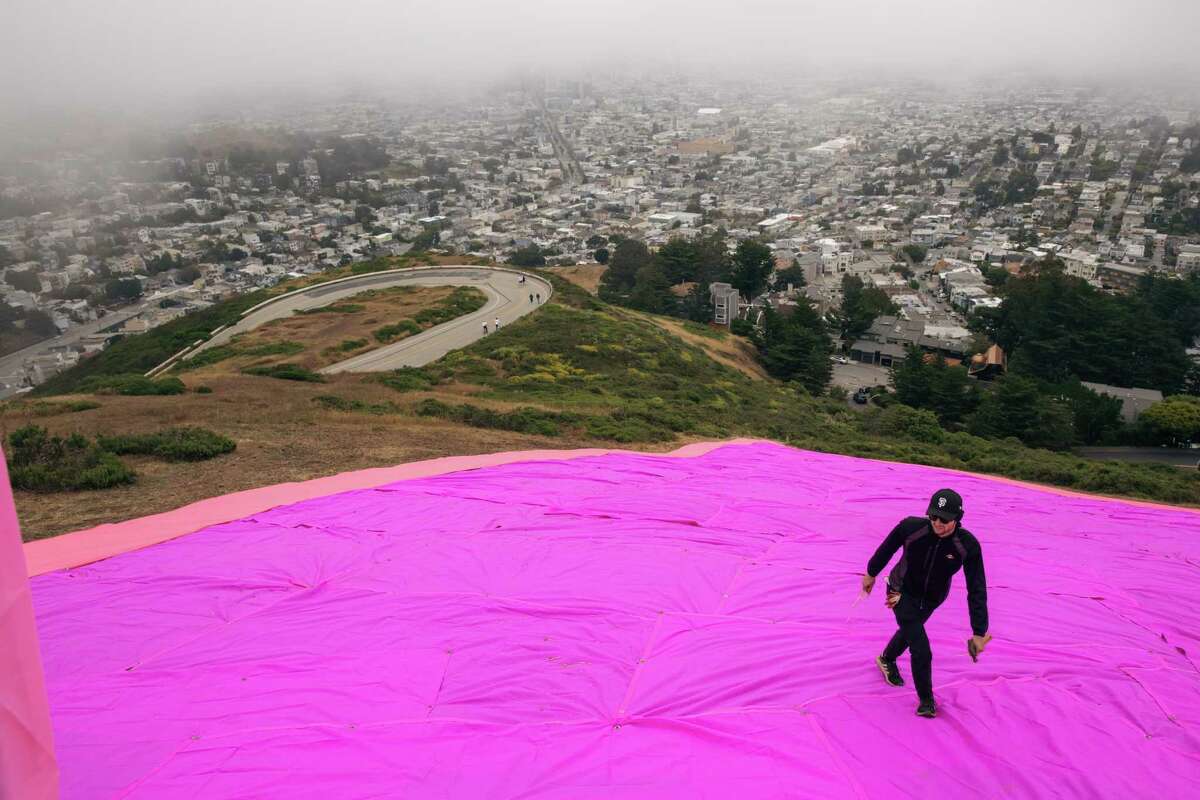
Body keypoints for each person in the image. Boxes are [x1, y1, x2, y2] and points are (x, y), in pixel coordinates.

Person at [861, 488, 989, 718]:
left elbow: (976, 587)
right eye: (933, 516)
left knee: (911, 631)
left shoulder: (967, 545)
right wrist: (871, 573)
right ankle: (927, 701)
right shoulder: (912, 527)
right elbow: (887, 547)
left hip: (932, 598)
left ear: (958, 518)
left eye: (945, 519)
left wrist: (979, 631)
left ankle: (886, 658)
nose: (938, 523)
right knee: (921, 647)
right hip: (898, 591)